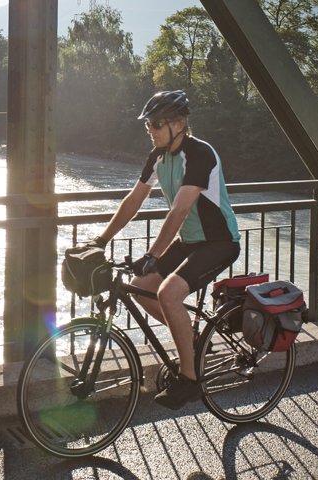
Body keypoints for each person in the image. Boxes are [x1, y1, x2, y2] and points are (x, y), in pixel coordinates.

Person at [79, 90, 240, 409]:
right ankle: (191, 343)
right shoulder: (158, 157)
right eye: (148, 125)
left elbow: (179, 210)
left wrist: (153, 254)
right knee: (140, 287)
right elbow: (133, 201)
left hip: (219, 242)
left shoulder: (200, 154)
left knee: (168, 293)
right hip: (189, 241)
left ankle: (190, 379)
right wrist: (101, 240)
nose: (150, 130)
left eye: (156, 123)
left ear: (179, 124)